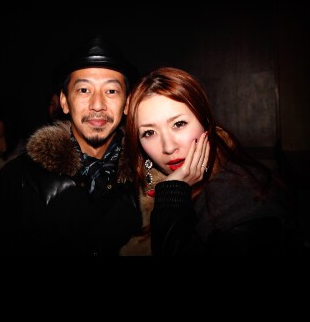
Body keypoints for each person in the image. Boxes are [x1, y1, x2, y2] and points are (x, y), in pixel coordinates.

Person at [0, 35, 142, 256]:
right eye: (84, 90)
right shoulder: (18, 178)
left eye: (111, 91)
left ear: (127, 104)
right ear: (64, 102)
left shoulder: (145, 177)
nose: (97, 105)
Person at [120, 66, 300, 256]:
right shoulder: (146, 185)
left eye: (179, 124)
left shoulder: (241, 202)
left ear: (205, 120)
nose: (168, 147)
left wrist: (171, 197)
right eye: (149, 132)